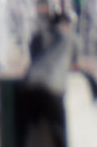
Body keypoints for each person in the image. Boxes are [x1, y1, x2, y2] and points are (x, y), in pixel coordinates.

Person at [18, 11, 81, 147]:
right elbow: (74, 65)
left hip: (29, 84)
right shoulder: (71, 38)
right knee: (58, 130)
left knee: (24, 131)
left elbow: (34, 57)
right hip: (52, 87)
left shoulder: (38, 35)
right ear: (66, 24)